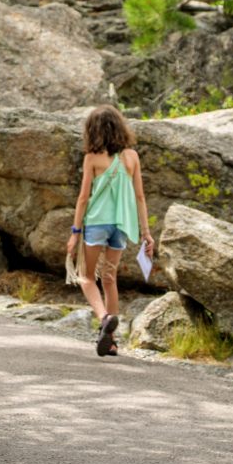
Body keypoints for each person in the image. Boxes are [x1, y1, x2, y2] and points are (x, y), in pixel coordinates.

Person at [66, 104, 154, 357]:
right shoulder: (132, 157)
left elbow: (83, 198)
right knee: (109, 278)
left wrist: (75, 232)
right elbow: (139, 196)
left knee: (85, 276)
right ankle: (112, 341)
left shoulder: (92, 158)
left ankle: (104, 318)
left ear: (93, 131)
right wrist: (146, 232)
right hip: (122, 225)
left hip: (97, 222)